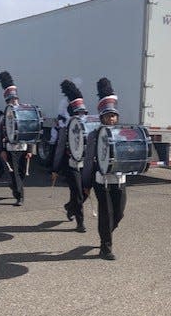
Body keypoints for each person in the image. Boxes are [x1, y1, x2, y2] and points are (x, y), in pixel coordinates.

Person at [82, 78, 126, 260]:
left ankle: (106, 234)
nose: (112, 118)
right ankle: (105, 247)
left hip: (120, 180)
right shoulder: (94, 135)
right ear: (102, 117)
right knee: (106, 214)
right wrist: (86, 183)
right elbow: (88, 161)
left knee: (119, 213)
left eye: (114, 115)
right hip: (102, 181)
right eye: (108, 116)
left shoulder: (123, 133)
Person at [52, 80, 88, 232]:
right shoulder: (66, 128)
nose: (81, 115)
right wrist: (54, 168)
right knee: (78, 193)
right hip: (71, 164)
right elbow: (60, 149)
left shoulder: (88, 126)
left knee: (83, 192)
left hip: (85, 165)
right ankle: (80, 223)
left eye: (83, 113)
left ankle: (70, 206)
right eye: (78, 113)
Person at [0, 71, 34, 206]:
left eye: (15, 99)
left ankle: (15, 186)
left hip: (23, 147)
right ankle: (20, 196)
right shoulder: (2, 117)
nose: (14, 101)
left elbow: (31, 133)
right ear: (7, 101)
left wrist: (30, 149)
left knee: (21, 173)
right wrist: (1, 150)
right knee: (15, 174)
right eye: (11, 100)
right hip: (10, 149)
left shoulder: (25, 114)